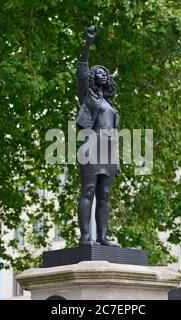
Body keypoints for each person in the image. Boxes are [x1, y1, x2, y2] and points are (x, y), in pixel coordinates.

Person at [75, 25, 120, 246]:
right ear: (93, 78)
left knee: (104, 195)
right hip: (91, 146)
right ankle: (85, 237)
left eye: (105, 72)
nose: (103, 74)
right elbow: (81, 69)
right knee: (89, 190)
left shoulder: (110, 105)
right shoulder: (87, 96)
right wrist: (88, 42)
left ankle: (102, 237)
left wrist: (117, 160)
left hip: (109, 150)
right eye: (99, 72)